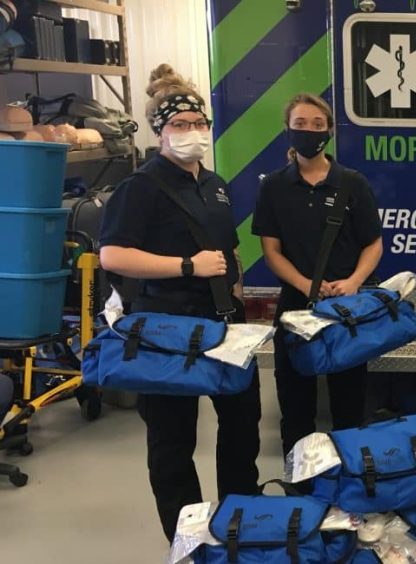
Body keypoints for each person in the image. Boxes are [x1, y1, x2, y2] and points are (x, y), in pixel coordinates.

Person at [99, 64, 261, 542]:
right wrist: (187, 266)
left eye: (198, 123)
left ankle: (242, 519)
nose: (192, 133)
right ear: (160, 131)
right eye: (180, 125)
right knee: (173, 439)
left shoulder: (214, 183)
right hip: (167, 327)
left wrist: (236, 286)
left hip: (222, 323)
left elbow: (227, 247)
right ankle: (188, 536)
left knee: (241, 423)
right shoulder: (141, 187)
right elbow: (114, 254)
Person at [252, 93, 384, 462]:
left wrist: (355, 281)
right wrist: (304, 285)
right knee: (295, 403)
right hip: (295, 307)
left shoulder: (352, 183)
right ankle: (302, 482)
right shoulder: (274, 186)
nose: (309, 131)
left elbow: (374, 245)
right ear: (287, 131)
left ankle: (350, 480)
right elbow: (271, 251)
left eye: (317, 125)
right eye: (300, 125)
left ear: (329, 131)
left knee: (348, 404)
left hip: (346, 309)